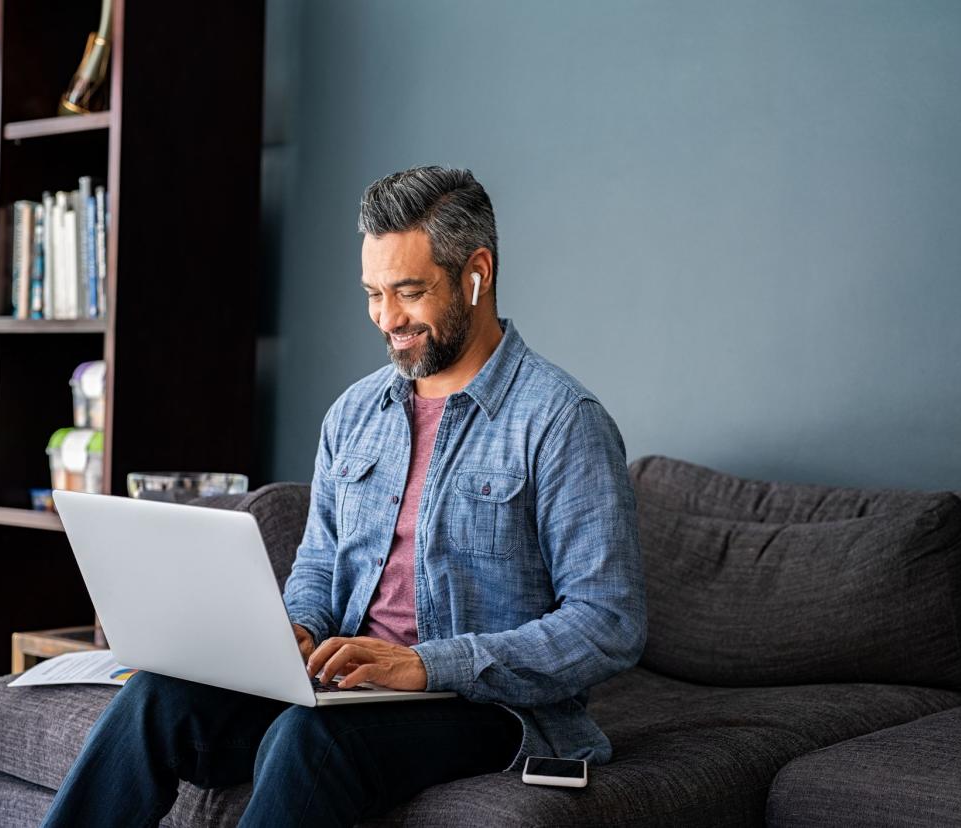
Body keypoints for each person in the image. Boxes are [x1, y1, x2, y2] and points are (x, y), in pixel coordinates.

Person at [41, 165, 646, 827]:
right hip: (349, 689)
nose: (388, 319)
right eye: (372, 293)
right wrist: (295, 632)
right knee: (156, 698)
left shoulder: (561, 420)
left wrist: (425, 664)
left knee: (312, 740)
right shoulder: (356, 413)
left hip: (487, 708)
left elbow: (607, 624)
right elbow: (322, 566)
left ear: (477, 272)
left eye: (409, 292)